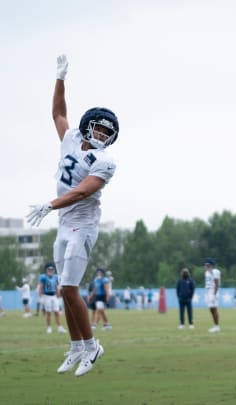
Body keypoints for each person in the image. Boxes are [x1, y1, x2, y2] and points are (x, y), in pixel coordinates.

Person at [25, 54, 117, 376]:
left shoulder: (105, 162)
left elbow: (82, 191)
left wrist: (50, 204)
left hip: (82, 226)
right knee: (65, 292)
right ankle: (76, 346)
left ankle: (92, 346)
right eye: (99, 129)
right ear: (87, 126)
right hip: (65, 225)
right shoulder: (71, 139)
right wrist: (60, 77)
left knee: (69, 288)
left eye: (108, 133)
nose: (103, 136)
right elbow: (58, 113)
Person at [37, 263, 66, 333]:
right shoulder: (43, 277)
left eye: (52, 269)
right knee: (48, 312)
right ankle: (49, 328)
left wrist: (58, 294)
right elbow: (40, 288)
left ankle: (59, 327)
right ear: (46, 270)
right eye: (49, 269)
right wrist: (40, 297)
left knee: (57, 312)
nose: (50, 271)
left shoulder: (55, 277)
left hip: (54, 296)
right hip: (46, 296)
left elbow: (56, 286)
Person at [204, 258, 221, 333]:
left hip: (213, 291)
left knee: (214, 309)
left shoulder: (215, 271)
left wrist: (214, 294)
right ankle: (215, 326)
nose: (205, 266)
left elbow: (216, 283)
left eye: (207, 265)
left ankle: (216, 326)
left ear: (210, 265)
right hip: (208, 292)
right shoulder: (207, 273)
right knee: (211, 309)